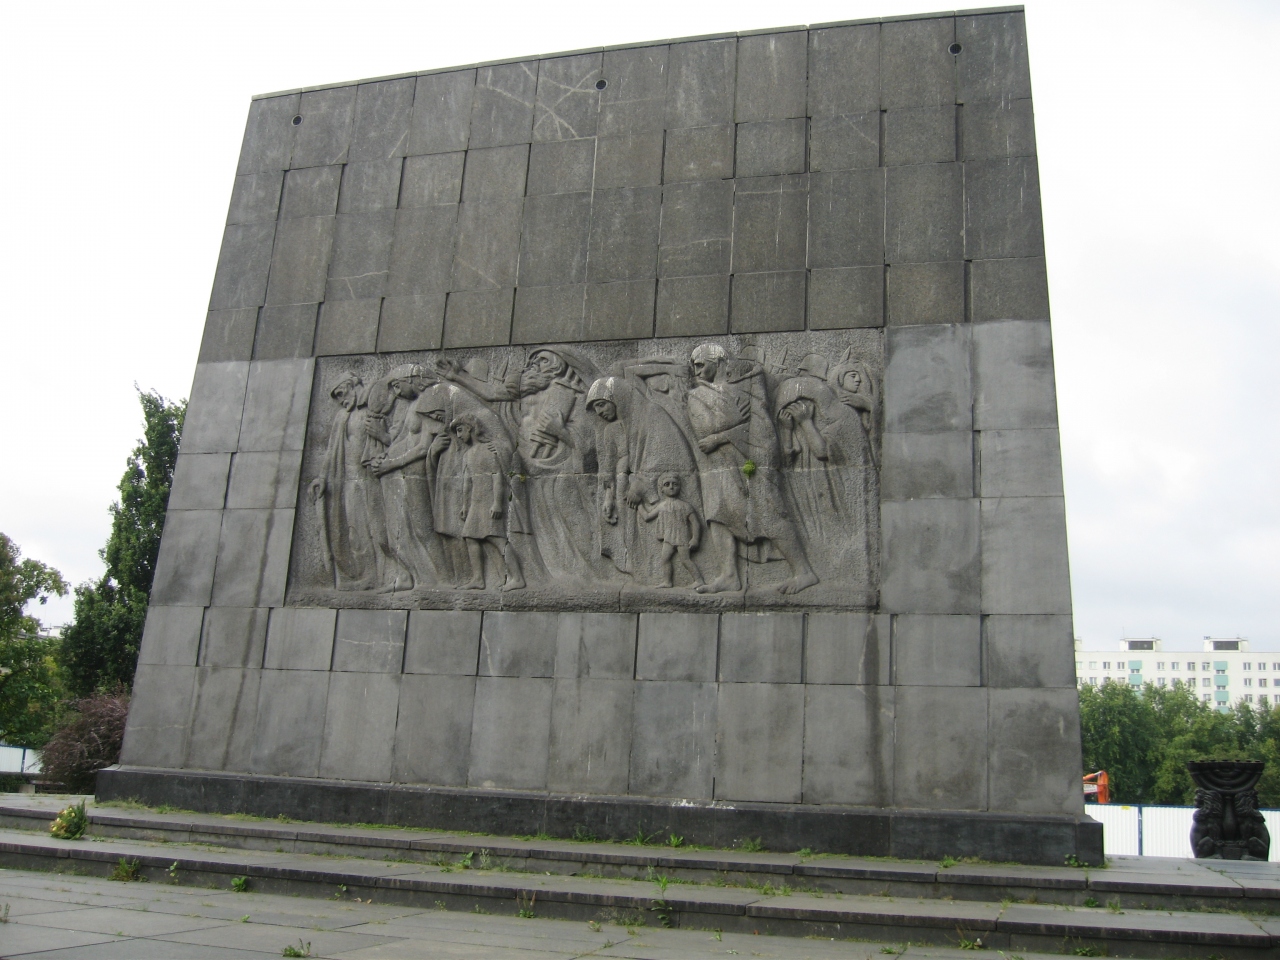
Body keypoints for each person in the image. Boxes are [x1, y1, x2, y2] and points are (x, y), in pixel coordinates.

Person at [683, 343, 818, 595]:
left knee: (771, 512)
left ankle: (803, 571)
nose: (696, 370)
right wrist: (733, 422)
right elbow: (703, 431)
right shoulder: (698, 395)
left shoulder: (749, 388)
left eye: (700, 364)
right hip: (720, 466)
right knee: (717, 514)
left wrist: (722, 434)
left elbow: (762, 428)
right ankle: (728, 575)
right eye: (694, 366)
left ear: (718, 362)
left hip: (753, 462)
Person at [451, 414, 525, 591]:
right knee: (470, 537)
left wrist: (497, 503)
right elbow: (467, 483)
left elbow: (497, 477)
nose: (459, 435)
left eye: (460, 430)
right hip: (475, 503)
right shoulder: (467, 455)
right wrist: (465, 505)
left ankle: (517, 578)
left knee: (497, 538)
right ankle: (478, 578)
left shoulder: (489, 450)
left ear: (470, 428)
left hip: (488, 502)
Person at [637, 473, 703, 589]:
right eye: (667, 484)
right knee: (665, 559)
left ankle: (699, 580)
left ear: (679, 487)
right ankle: (667, 582)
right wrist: (639, 505)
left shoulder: (685, 506)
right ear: (661, 489)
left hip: (682, 538)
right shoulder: (661, 506)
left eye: (674, 484)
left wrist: (695, 539)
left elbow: (696, 523)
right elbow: (647, 517)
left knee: (685, 560)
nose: (671, 487)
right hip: (668, 538)